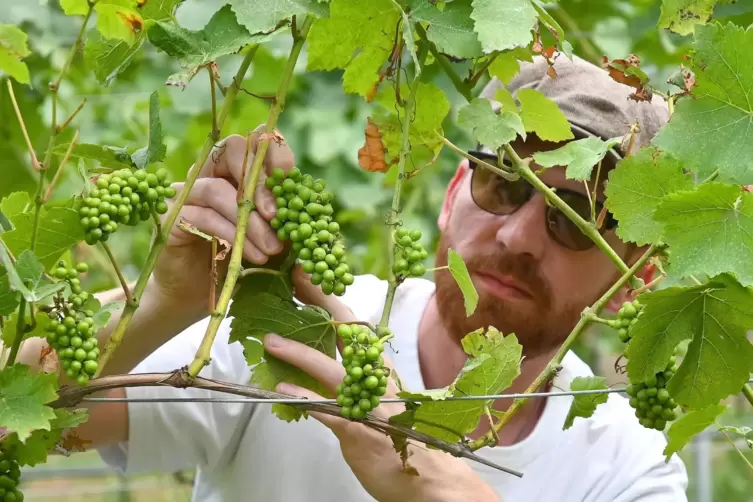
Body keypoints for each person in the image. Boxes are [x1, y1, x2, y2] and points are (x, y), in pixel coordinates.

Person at [19, 55, 688, 501]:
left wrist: (435, 488)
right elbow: (15, 416)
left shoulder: (627, 468)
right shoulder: (282, 333)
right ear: (457, 184)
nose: (515, 235)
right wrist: (166, 306)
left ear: (635, 277)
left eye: (575, 221)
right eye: (501, 183)